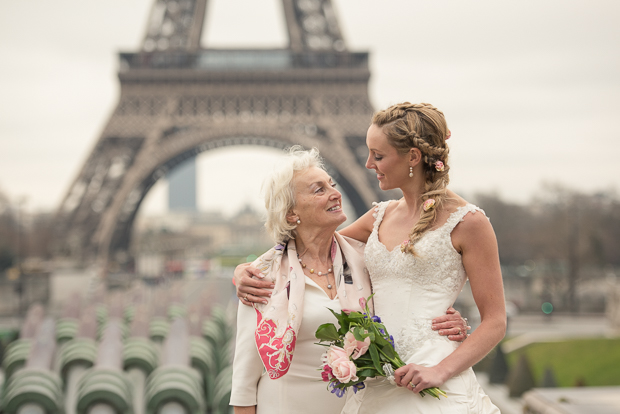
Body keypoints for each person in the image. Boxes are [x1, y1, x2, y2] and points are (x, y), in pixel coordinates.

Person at [236, 103, 506, 413]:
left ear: (413, 158)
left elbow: (496, 321)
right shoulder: (378, 217)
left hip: (433, 373)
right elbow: (310, 245)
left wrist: (440, 370)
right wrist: (247, 270)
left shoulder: (470, 223)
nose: (367, 163)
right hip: (379, 378)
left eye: (378, 156)